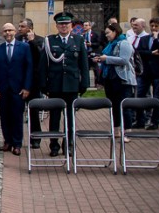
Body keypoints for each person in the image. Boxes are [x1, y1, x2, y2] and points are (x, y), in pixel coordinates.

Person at [41, 11, 88, 157]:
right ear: (56, 26)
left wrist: (84, 84)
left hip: (72, 85)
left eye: (67, 23)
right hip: (55, 85)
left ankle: (69, 144)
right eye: (61, 24)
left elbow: (84, 64)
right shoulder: (49, 40)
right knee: (54, 118)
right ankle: (54, 145)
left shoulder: (78, 40)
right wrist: (43, 84)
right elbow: (43, 65)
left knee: (70, 118)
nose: (64, 26)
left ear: (71, 25)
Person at [0, 23, 31, 155]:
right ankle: (8, 141)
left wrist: (26, 87)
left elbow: (28, 68)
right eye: (5, 31)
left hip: (18, 89)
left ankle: (17, 144)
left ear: (15, 32)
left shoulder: (24, 47)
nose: (8, 33)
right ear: (2, 33)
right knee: (4, 116)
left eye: (10, 30)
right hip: (2, 89)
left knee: (17, 117)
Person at [94, 22, 134, 137]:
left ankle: (127, 132)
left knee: (124, 105)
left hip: (122, 79)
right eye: (105, 33)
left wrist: (106, 59)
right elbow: (107, 58)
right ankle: (116, 130)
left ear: (115, 32)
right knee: (114, 105)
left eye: (108, 33)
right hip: (110, 79)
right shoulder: (110, 44)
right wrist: (100, 59)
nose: (106, 35)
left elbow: (124, 60)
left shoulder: (124, 43)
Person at [18, 17, 45, 146]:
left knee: (33, 110)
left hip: (33, 81)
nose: (19, 29)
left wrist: (32, 41)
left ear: (30, 28)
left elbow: (41, 57)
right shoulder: (17, 39)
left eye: (22, 26)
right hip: (19, 79)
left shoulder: (39, 40)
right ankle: (16, 139)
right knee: (17, 110)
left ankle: (36, 138)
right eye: (19, 26)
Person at [142, 15, 159, 130]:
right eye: (152, 26)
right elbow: (140, 52)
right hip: (147, 71)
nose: (153, 28)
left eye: (156, 26)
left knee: (157, 96)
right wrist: (151, 53)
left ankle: (155, 121)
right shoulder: (145, 38)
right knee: (141, 94)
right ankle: (141, 118)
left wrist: (156, 39)